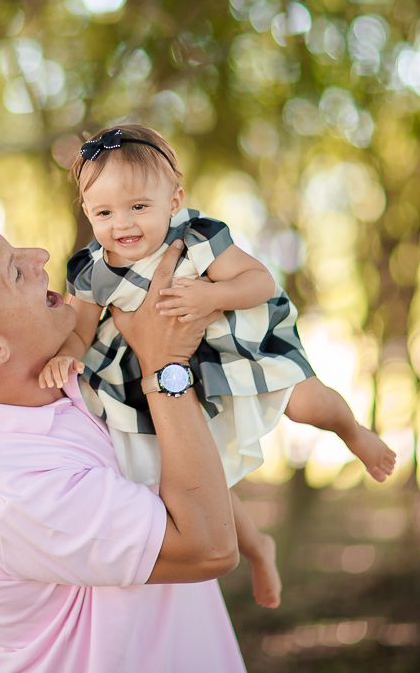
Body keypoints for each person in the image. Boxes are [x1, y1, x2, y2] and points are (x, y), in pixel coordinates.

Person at [0, 213, 248, 672]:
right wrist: (166, 366)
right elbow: (210, 548)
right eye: (14, 271)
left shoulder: (54, 369)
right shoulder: (10, 488)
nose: (41, 257)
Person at [40, 124, 396, 608]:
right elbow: (82, 329)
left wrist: (213, 293)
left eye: (139, 207)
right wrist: (67, 354)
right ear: (87, 212)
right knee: (194, 472)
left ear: (174, 199)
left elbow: (260, 281)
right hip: (158, 375)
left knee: (308, 403)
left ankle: (352, 431)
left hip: (233, 344)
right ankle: (256, 549)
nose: (122, 224)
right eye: (104, 212)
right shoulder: (91, 269)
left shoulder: (197, 239)